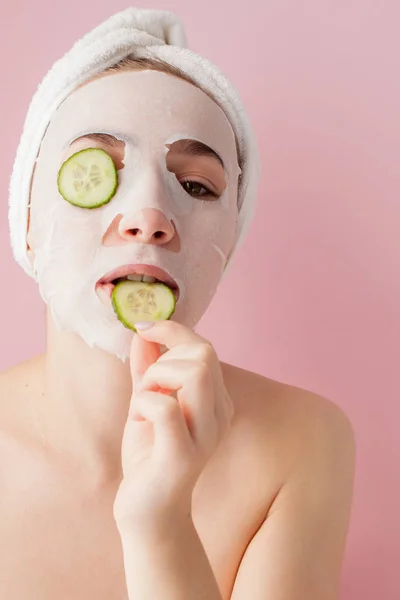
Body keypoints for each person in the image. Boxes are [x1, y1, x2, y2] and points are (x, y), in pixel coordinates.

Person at [0, 7, 355, 600]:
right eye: (98, 171)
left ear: (230, 242)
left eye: (196, 186)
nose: (148, 217)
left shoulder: (302, 442)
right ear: (27, 222)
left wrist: (158, 523)